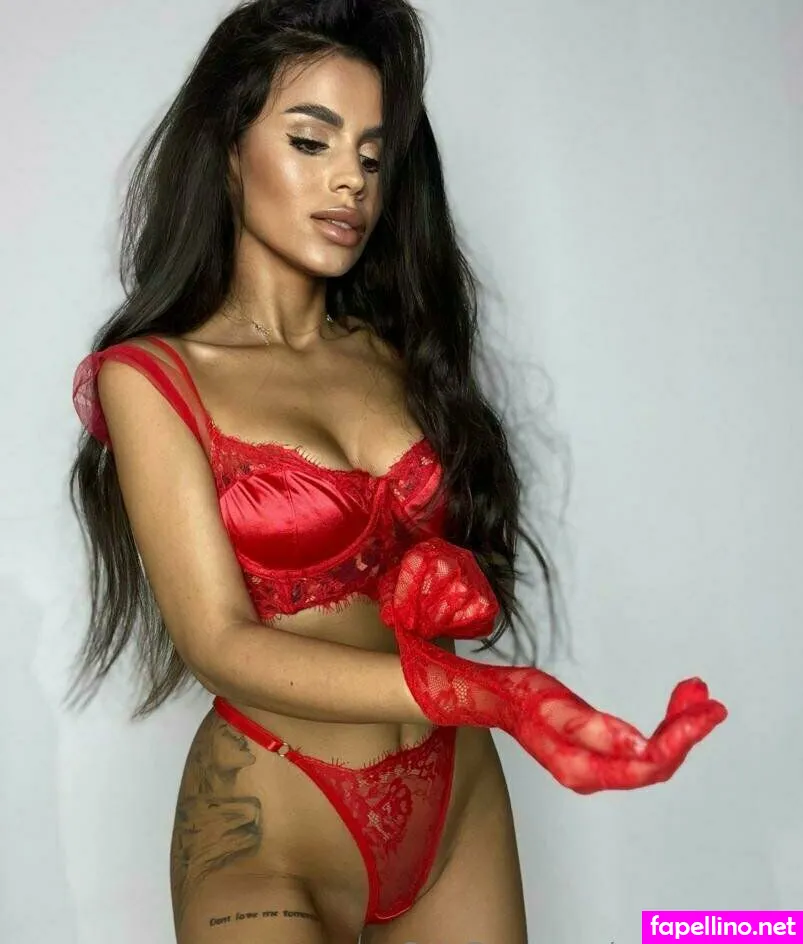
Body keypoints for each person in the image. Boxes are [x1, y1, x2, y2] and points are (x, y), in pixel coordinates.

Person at [67, 2, 727, 942]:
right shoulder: (153, 378)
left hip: (456, 805)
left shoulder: (395, 355)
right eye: (311, 141)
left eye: (372, 158)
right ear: (227, 150)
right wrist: (498, 694)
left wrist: (451, 584)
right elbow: (218, 640)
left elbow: (437, 582)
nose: (350, 179)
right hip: (269, 826)